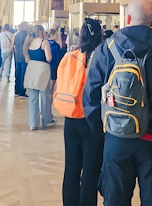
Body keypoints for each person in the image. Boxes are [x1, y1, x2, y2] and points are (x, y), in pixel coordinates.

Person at [83, 0, 152, 205]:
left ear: (128, 18)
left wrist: (102, 129)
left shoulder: (107, 48)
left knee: (115, 198)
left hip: (117, 137)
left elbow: (91, 94)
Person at [61, 18, 104, 206]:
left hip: (70, 117)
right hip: (91, 118)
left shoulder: (69, 56)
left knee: (71, 168)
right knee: (90, 170)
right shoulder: (101, 58)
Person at [23, 25, 56, 130]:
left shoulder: (29, 42)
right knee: (45, 96)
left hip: (31, 68)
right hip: (42, 70)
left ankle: (33, 123)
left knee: (32, 98)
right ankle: (46, 120)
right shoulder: (44, 42)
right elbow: (49, 58)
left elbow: (27, 59)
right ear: (41, 31)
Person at [13, 22, 30, 98]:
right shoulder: (27, 35)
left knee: (18, 73)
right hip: (24, 56)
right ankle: (22, 92)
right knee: (24, 74)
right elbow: (27, 46)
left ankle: (16, 90)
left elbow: (14, 46)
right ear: (25, 26)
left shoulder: (17, 35)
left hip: (17, 56)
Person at [48, 28, 63, 101]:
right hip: (53, 67)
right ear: (51, 35)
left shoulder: (45, 43)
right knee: (51, 88)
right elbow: (58, 58)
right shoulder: (56, 46)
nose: (57, 36)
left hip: (46, 67)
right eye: (56, 34)